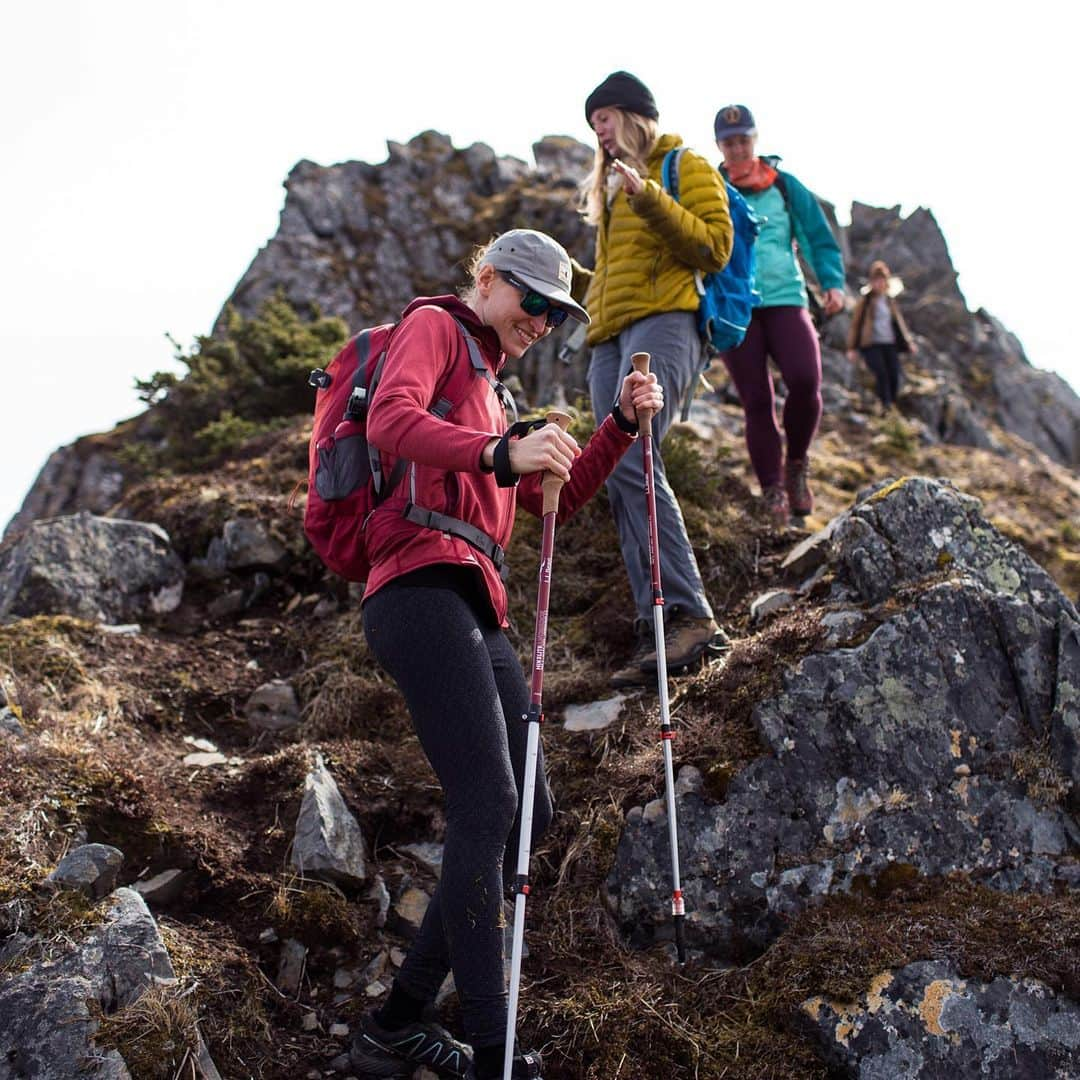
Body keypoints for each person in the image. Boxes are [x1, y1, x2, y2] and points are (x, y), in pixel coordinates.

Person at [348, 228, 663, 1080]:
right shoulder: (436, 329)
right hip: (418, 586)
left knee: (531, 813)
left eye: (558, 314)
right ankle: (495, 1054)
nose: (544, 322)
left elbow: (550, 502)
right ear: (486, 281)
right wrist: (497, 449)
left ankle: (397, 1022)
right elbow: (389, 417)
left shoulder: (490, 388)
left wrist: (618, 427)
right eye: (533, 302)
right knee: (488, 805)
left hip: (473, 602)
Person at [579, 70, 734, 688]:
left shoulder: (681, 163)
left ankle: (690, 618)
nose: (599, 131)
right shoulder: (608, 189)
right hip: (607, 336)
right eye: (592, 124)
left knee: (635, 454)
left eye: (605, 118)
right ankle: (658, 623)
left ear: (634, 115)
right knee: (614, 467)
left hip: (667, 322)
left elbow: (715, 245)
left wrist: (650, 197)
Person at [713, 104, 846, 526]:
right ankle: (772, 489)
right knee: (757, 399)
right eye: (729, 142)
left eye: (743, 140)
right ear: (719, 145)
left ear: (754, 140)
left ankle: (797, 465)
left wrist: (831, 282)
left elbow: (817, 237)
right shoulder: (711, 187)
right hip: (736, 307)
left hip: (787, 297)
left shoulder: (784, 187)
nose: (737, 148)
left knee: (806, 380)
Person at [847, 259, 917, 412]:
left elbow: (899, 323)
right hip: (871, 344)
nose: (880, 284)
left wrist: (908, 342)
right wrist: (852, 348)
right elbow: (855, 325)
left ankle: (891, 405)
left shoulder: (889, 301)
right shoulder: (865, 301)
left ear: (886, 282)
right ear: (872, 282)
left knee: (894, 373)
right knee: (881, 372)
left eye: (882, 280)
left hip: (889, 343)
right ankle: (885, 405)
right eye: (876, 280)